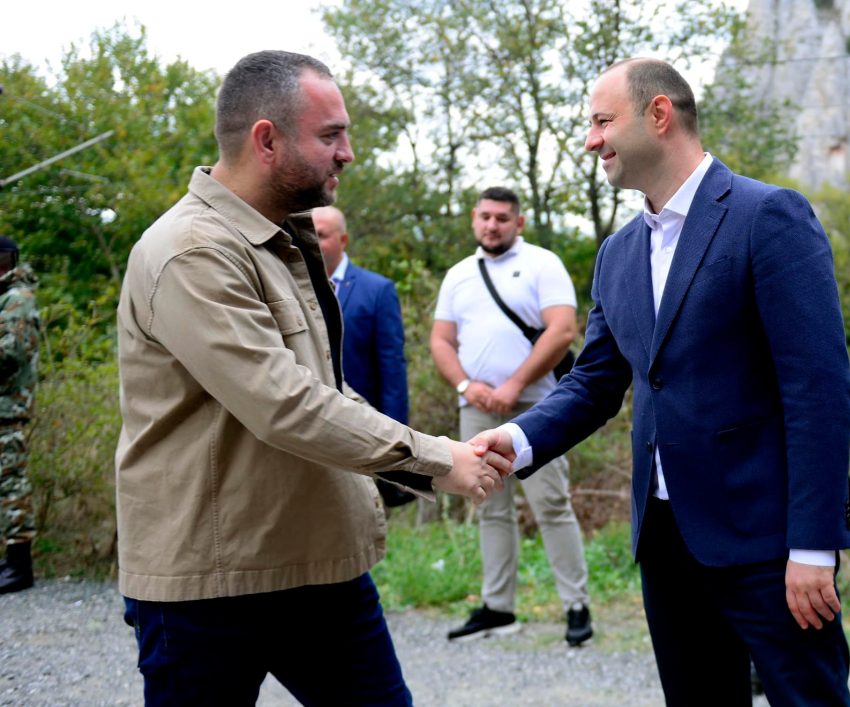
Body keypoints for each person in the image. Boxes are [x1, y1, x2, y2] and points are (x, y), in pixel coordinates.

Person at [115, 50, 509, 706]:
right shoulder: (191, 252)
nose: (348, 153)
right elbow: (285, 403)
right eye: (331, 135)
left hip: (317, 564)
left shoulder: (282, 243)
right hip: (211, 585)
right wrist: (439, 460)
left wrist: (439, 455)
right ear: (267, 139)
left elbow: (322, 386)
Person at [470, 59, 850, 705]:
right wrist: (516, 438)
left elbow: (818, 388)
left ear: (659, 114)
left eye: (601, 121)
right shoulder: (617, 252)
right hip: (665, 541)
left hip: (770, 543)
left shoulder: (768, 216)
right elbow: (595, 381)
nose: (591, 140)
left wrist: (814, 544)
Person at [430, 187, 593, 647]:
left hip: (539, 406)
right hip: (476, 409)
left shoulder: (543, 264)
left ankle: (576, 607)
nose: (492, 225)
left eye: (502, 218)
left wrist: (515, 385)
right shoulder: (459, 275)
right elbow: (441, 340)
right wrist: (467, 385)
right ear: (473, 219)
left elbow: (562, 329)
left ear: (518, 223)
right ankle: (498, 608)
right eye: (484, 217)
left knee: (552, 505)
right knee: (488, 508)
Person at [311, 205, 415, 507]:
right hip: (309, 419)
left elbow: (392, 368)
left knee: (365, 512)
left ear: (343, 241)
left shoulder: (377, 290)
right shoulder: (290, 286)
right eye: (309, 234)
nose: (314, 241)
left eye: (322, 235)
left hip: (363, 423)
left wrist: (397, 441)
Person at [0, 236, 40, 595]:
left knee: (11, 485)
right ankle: (10, 561)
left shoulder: (18, 300)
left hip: (8, 410)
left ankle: (19, 566)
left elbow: (10, 353)